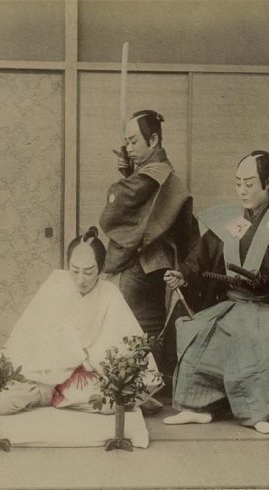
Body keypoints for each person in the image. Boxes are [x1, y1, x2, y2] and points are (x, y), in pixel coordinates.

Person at [162, 151, 269, 433]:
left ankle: (259, 413)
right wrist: (183, 275)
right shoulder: (234, 220)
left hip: (265, 308)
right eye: (238, 183)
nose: (242, 190)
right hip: (232, 303)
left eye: (249, 184)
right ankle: (197, 407)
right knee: (198, 336)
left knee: (260, 348)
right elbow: (203, 255)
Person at [0, 227, 163, 415]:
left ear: (101, 269)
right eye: (75, 271)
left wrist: (86, 359)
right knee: (1, 400)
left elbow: (122, 342)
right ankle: (47, 393)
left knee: (109, 401)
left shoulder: (109, 294)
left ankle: (52, 395)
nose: (80, 279)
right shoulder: (55, 284)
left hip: (87, 375)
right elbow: (27, 333)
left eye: (88, 272)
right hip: (46, 373)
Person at [99, 110, 198, 337]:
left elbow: (119, 202)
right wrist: (129, 173)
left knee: (127, 329)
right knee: (144, 331)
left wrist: (125, 181)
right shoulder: (157, 170)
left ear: (153, 140)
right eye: (127, 142)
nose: (129, 149)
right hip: (157, 265)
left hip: (144, 265)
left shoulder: (155, 173)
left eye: (133, 141)